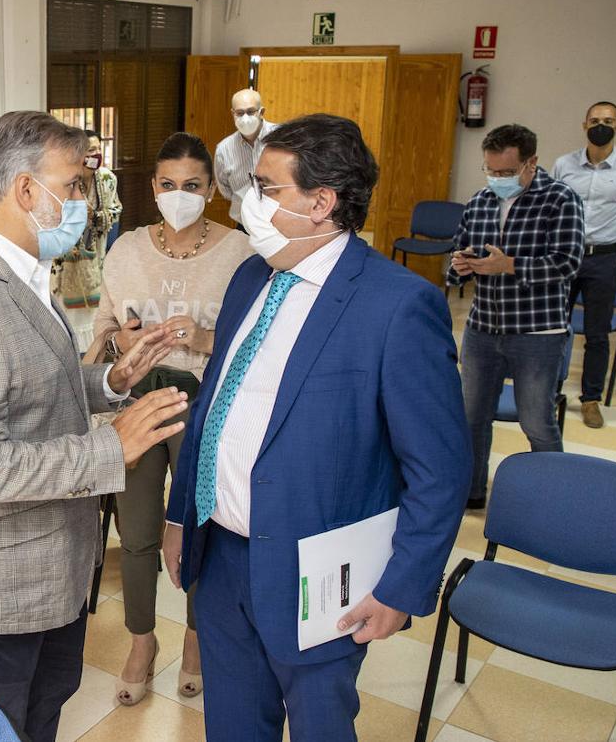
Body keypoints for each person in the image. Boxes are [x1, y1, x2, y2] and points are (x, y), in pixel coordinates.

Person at [163, 114, 471, 741]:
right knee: (232, 726)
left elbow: (440, 469)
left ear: (322, 202)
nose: (247, 202)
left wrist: (402, 586)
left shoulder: (397, 305)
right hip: (222, 558)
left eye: (267, 189)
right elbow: (214, 410)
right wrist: (179, 516)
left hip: (317, 574)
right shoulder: (252, 276)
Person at [0, 110, 188, 742]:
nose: (84, 200)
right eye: (76, 185)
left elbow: (25, 385)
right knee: (2, 725)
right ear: (27, 190)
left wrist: (109, 380)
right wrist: (109, 447)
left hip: (43, 567)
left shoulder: (19, 269)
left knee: (43, 710)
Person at [93, 131, 252, 706]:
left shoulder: (239, 253)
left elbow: (257, 342)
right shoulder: (126, 249)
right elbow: (101, 337)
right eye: (168, 185)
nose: (178, 195)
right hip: (138, 404)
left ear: (210, 189)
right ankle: (141, 642)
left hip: (203, 406)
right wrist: (121, 343)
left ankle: (194, 637)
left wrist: (206, 337)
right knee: (136, 532)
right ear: (152, 187)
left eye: (191, 186)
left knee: (199, 530)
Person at [449, 124, 585, 510]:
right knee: (472, 418)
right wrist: (459, 266)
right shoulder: (479, 200)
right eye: (491, 171)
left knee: (536, 422)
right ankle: (472, 492)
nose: (498, 180)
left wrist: (508, 265)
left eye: (507, 173)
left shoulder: (560, 200)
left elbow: (566, 264)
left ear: (531, 163)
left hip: (537, 332)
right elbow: (459, 253)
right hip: (482, 329)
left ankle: (552, 499)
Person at [552, 101, 616, 429]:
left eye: (608, 121)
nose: (601, 125)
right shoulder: (564, 164)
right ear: (584, 124)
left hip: (605, 258)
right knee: (553, 327)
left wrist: (613, 235)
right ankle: (549, 388)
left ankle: (591, 399)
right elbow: (550, 206)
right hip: (564, 256)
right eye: (595, 120)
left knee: (597, 333)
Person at [52, 129, 122, 344]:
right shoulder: (63, 180)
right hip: (66, 262)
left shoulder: (108, 179)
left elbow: (116, 210)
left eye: (98, 149)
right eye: (91, 150)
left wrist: (96, 215)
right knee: (67, 322)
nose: (96, 154)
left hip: (96, 257)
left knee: (94, 318)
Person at [214, 88, 279, 231]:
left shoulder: (283, 138)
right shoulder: (223, 150)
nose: (245, 118)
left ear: (261, 112)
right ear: (233, 114)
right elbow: (225, 189)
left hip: (280, 223)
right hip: (245, 225)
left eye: (250, 112)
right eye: (239, 113)